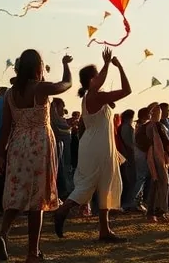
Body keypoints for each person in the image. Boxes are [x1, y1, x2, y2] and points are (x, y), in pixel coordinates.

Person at [0, 51, 71, 263]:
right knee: (37, 199)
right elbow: (66, 84)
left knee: (17, 194)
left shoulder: (10, 94)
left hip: (18, 145)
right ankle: (32, 253)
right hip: (39, 144)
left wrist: (1, 155)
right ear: (38, 66)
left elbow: (5, 127)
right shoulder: (40, 88)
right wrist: (66, 65)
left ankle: (2, 234)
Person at [53, 48, 129, 243]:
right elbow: (126, 90)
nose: (100, 78)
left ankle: (105, 230)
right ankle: (62, 210)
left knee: (104, 185)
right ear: (91, 80)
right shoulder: (94, 95)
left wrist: (114, 67)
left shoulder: (95, 97)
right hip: (97, 146)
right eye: (96, 76)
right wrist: (113, 65)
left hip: (98, 145)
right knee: (88, 184)